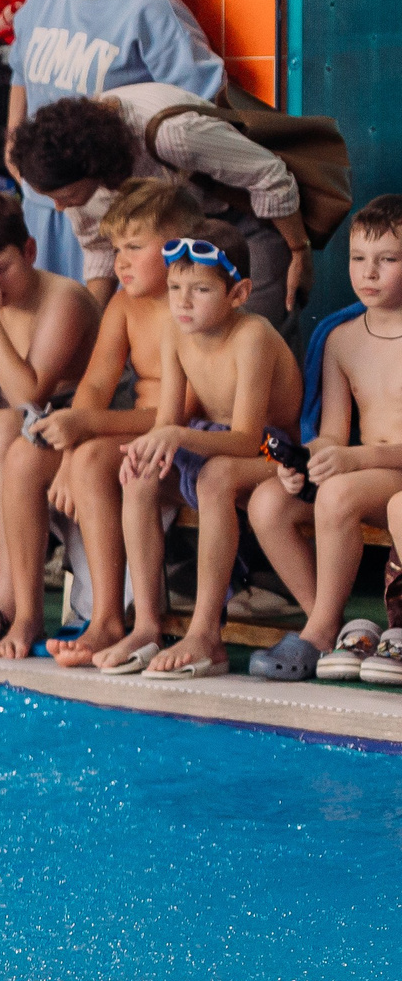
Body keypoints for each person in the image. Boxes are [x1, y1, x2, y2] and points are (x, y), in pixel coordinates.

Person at [109, 223, 300, 681]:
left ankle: (205, 635)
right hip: (215, 442)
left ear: (239, 293)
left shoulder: (254, 336)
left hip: (274, 451)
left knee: (215, 477)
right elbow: (167, 421)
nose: (182, 302)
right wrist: (151, 446)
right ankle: (148, 624)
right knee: (139, 474)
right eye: (175, 288)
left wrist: (176, 436)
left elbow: (248, 439)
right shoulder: (175, 334)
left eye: (200, 289)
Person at [33, 177, 207, 667]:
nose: (120, 262)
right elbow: (93, 387)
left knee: (90, 455)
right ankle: (89, 613)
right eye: (115, 248)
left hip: (185, 437)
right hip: (135, 434)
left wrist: (87, 431)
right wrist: (70, 446)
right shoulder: (124, 305)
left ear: (178, 248)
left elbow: (182, 412)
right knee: (62, 456)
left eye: (134, 247)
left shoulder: (191, 307)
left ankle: (110, 616)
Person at [4, 0, 220, 284]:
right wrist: (12, 135)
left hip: (119, 224)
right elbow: (21, 68)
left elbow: (198, 106)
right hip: (46, 207)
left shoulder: (150, 6)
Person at [246, 196, 402, 682]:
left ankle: (315, 634)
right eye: (358, 259)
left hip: (388, 472)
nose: (368, 273)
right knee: (268, 503)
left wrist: (350, 459)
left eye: (388, 260)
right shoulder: (341, 338)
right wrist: (303, 459)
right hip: (367, 476)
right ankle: (329, 620)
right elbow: (332, 433)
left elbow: (349, 453)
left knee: (337, 491)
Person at [0, 190, 98, 654]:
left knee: (7, 431)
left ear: (29, 251)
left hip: (79, 428)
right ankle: (3, 600)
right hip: (22, 431)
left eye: (1, 268)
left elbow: (31, 393)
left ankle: (22, 612)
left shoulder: (64, 298)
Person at [10, 89, 307, 328]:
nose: (60, 208)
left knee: (247, 334)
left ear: (93, 166)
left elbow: (269, 174)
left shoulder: (170, 134)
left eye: (67, 195)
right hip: (179, 242)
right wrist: (89, 325)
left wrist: (298, 251)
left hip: (242, 222)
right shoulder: (72, 177)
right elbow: (99, 247)